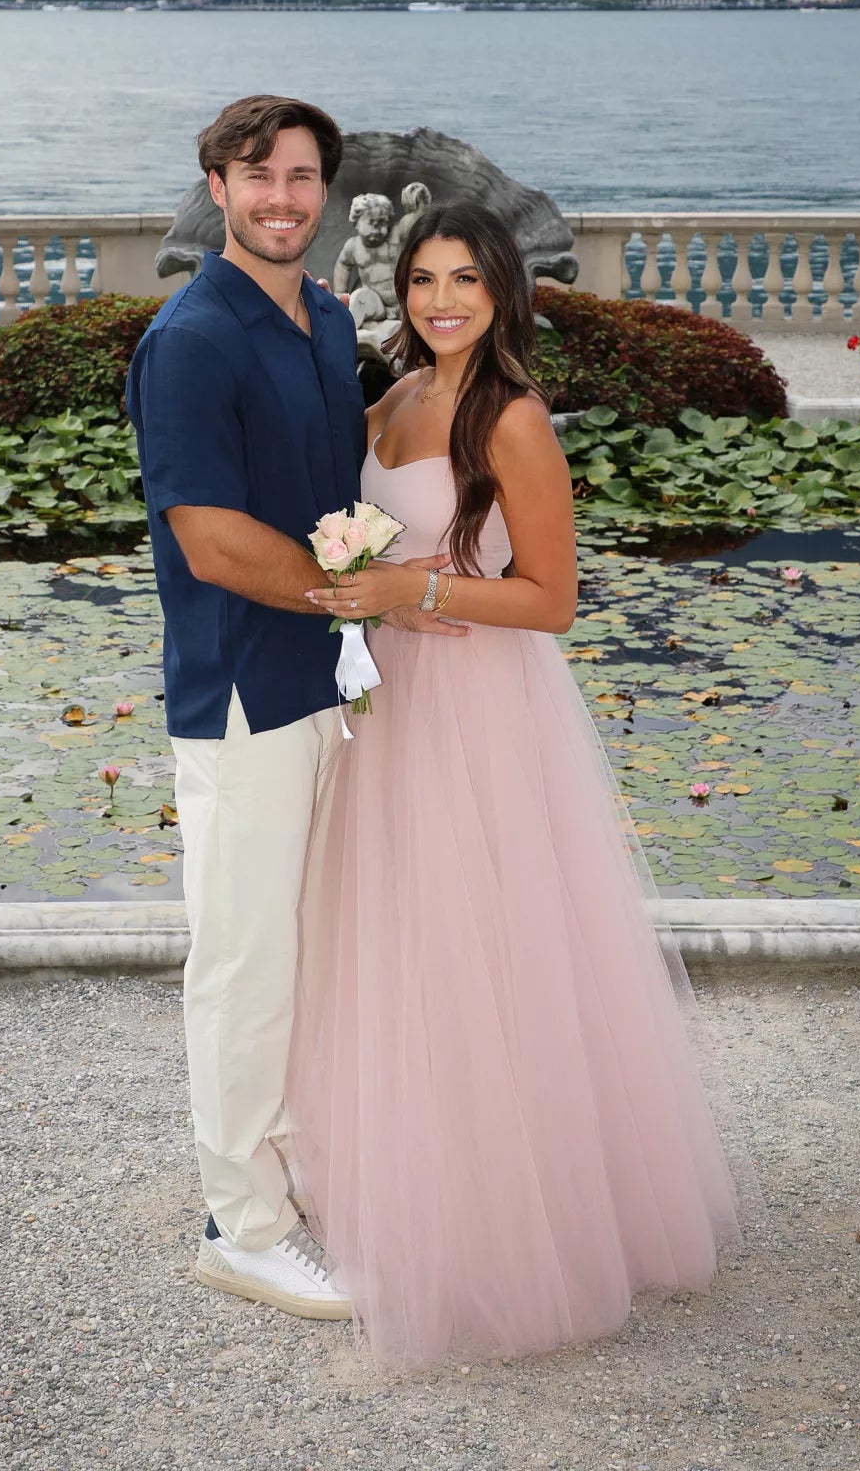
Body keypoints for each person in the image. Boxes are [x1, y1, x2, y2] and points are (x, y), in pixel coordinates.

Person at [289, 197, 749, 1367]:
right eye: (424, 279)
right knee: (396, 945)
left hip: (480, 714)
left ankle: (517, 1221)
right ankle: (410, 1181)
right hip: (387, 704)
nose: (441, 300)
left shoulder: (515, 418)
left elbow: (552, 600)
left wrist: (417, 591)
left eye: (465, 280)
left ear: (504, 290)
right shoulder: (390, 398)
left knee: (487, 951)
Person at [124, 94, 460, 1323]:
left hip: (327, 680)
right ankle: (242, 1226)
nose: (283, 196)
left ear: (327, 191)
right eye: (258, 173)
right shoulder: (191, 339)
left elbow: (353, 464)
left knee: (309, 952)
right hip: (241, 699)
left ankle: (285, 1170)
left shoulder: (324, 316)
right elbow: (209, 540)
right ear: (216, 184)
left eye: (303, 176)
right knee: (246, 964)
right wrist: (356, 593)